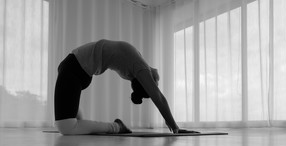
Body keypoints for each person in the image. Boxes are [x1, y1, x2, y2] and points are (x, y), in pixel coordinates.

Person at [54, 39, 197, 135]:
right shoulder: (139, 62)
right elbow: (157, 94)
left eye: (153, 83)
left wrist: (174, 127)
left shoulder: (140, 68)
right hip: (76, 71)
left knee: (65, 127)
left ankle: (116, 127)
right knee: (71, 124)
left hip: (74, 70)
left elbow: (158, 98)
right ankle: (92, 125)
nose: (156, 82)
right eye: (154, 83)